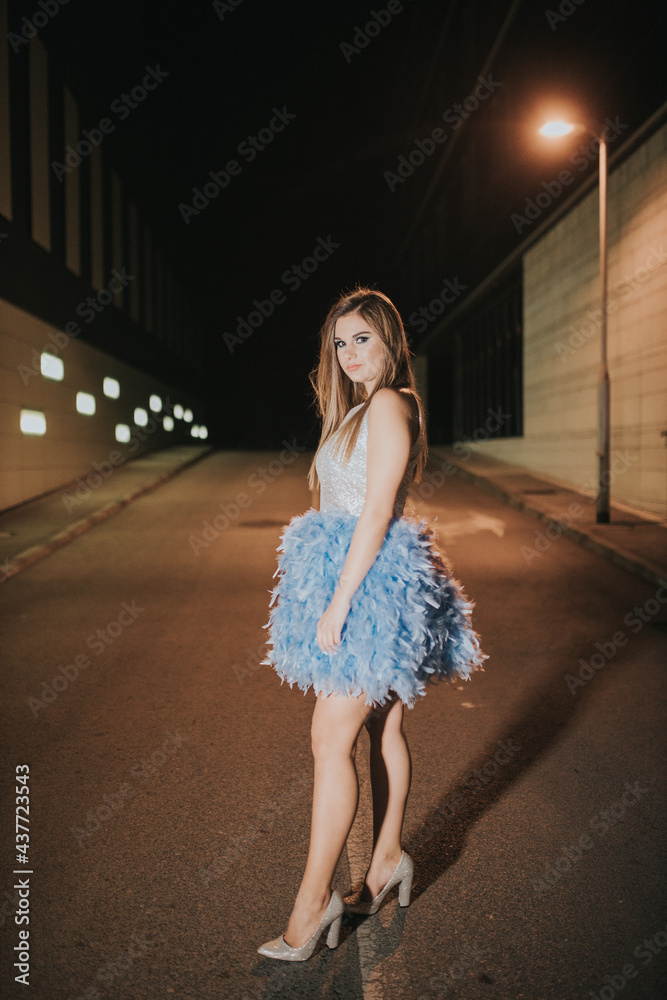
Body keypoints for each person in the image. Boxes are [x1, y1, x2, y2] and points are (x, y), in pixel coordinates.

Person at [258, 287, 487, 961]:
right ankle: (385, 858)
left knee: (329, 736)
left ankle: (312, 904)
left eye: (362, 338)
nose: (350, 353)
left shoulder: (388, 403)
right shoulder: (357, 407)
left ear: (390, 341)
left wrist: (339, 602)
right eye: (339, 342)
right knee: (381, 723)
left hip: (369, 584)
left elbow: (378, 509)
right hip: (355, 574)